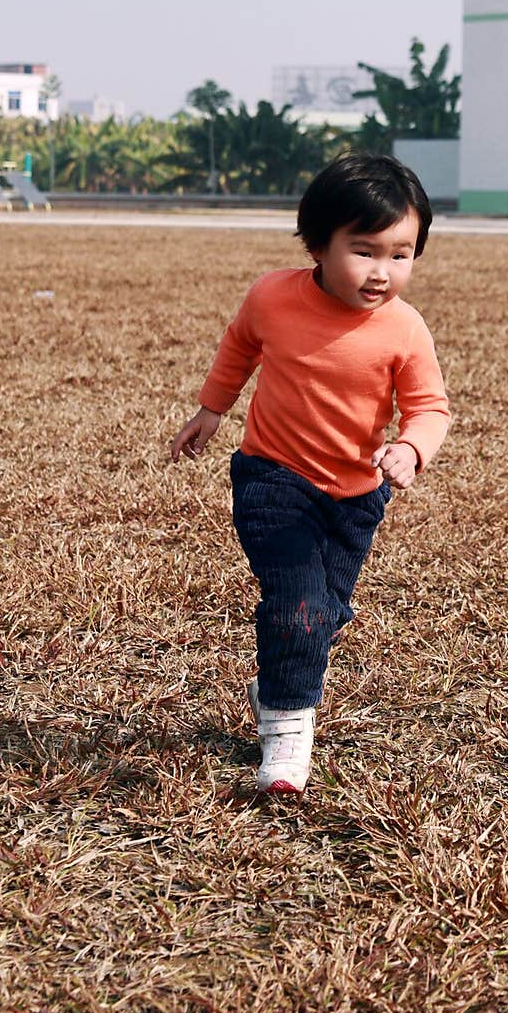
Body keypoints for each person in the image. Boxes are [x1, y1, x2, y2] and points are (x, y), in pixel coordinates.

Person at [169, 152, 450, 796]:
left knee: (322, 612)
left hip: (356, 495)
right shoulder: (273, 295)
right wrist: (213, 409)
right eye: (365, 251)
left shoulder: (405, 330)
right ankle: (287, 738)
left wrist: (410, 449)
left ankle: (283, 666)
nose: (383, 272)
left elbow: (430, 408)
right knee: (298, 609)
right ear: (318, 243)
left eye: (401, 254)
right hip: (273, 477)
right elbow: (241, 342)